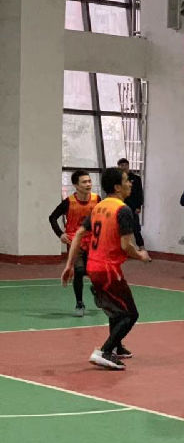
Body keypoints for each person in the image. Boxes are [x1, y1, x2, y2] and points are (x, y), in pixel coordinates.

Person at [61, 166, 151, 370]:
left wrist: (69, 264)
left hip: (93, 267)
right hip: (108, 269)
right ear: (117, 187)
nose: (131, 183)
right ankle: (104, 351)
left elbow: (78, 234)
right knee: (130, 314)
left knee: (115, 311)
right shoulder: (123, 210)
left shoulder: (99, 207)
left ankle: (116, 347)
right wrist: (141, 255)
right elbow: (126, 246)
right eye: (127, 180)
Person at [48, 169, 100, 316]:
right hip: (75, 241)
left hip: (93, 241)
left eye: (89, 181)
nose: (88, 184)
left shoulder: (97, 199)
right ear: (76, 185)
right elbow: (52, 217)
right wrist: (60, 234)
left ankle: (96, 289)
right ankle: (79, 303)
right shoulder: (68, 202)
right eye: (84, 182)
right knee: (79, 270)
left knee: (94, 271)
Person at [117, 158, 144, 248]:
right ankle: (121, 249)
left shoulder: (136, 178)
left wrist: (139, 206)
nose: (124, 167)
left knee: (136, 229)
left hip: (133, 207)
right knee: (120, 229)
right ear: (118, 167)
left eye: (125, 165)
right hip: (120, 207)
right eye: (122, 165)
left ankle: (142, 248)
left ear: (128, 166)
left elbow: (140, 193)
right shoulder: (117, 179)